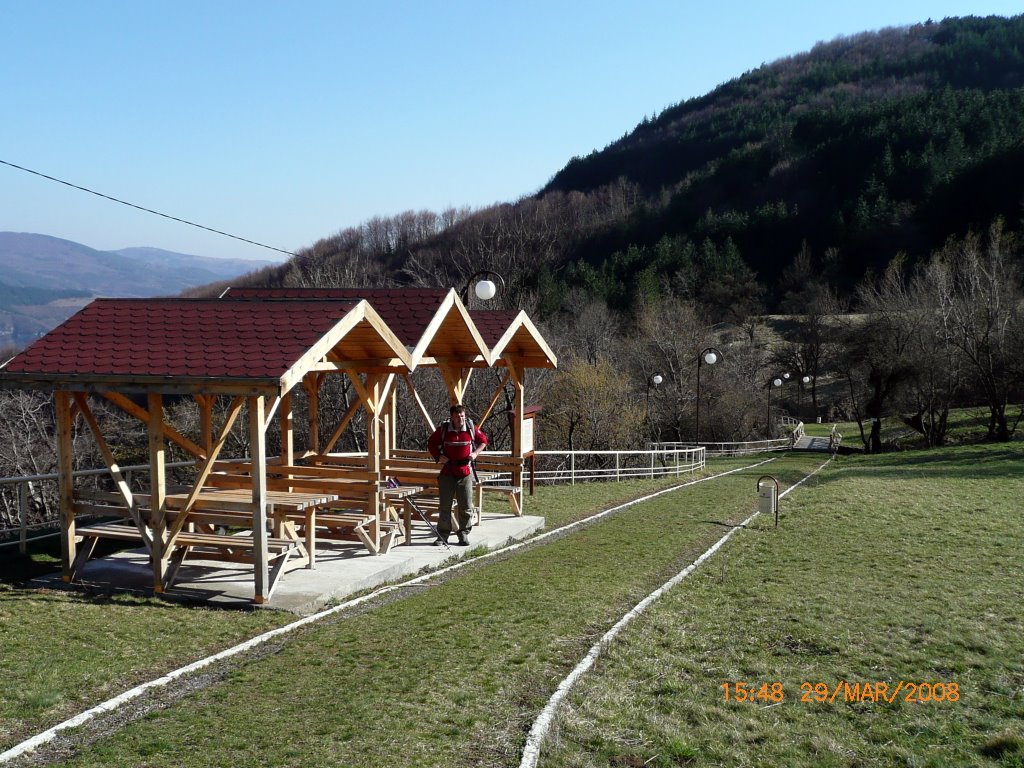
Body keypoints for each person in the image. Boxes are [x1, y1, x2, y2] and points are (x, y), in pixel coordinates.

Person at [426, 404, 487, 546]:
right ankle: (442, 535)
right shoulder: (444, 430)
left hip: (465, 472)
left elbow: (483, 441)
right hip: (447, 472)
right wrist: (438, 456)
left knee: (465, 506)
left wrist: (475, 453)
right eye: (457, 416)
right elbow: (431, 443)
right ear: (452, 417)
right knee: (445, 506)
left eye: (462, 416)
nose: (460, 419)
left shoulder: (471, 429)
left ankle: (464, 535)